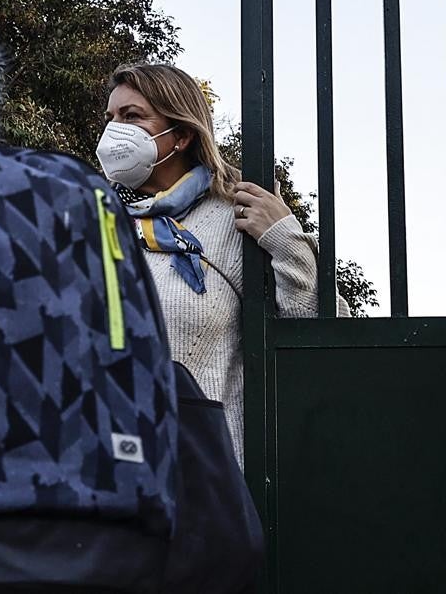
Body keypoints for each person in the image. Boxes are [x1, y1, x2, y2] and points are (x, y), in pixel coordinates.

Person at [96, 63, 347, 466]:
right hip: (103, 469)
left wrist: (284, 239)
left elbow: (321, 333)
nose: (114, 132)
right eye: (111, 118)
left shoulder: (234, 218)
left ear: (181, 135)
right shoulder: (96, 223)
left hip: (198, 474)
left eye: (132, 117)